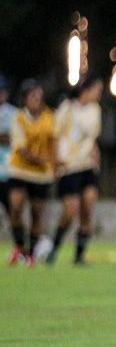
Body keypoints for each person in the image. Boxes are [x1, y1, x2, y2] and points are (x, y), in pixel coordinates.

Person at [47, 76, 103, 265]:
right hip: (69, 165)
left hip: (87, 165)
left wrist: (96, 154)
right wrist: (55, 162)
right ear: (86, 90)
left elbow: (91, 138)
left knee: (87, 209)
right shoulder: (67, 108)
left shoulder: (95, 110)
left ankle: (79, 256)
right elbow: (55, 136)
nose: (99, 94)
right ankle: (53, 250)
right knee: (70, 212)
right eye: (97, 90)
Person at [6, 80, 57, 267]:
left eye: (39, 96)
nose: (37, 99)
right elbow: (21, 150)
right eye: (33, 96)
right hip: (20, 171)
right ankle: (19, 245)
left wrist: (55, 163)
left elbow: (54, 142)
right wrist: (47, 160)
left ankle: (31, 254)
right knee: (16, 208)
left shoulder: (49, 118)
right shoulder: (18, 118)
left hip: (41, 175)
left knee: (37, 214)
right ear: (25, 98)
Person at [0, 76, 16, 227]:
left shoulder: (13, 113)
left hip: (7, 171)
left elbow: (13, 139)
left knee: (12, 211)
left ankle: (19, 246)